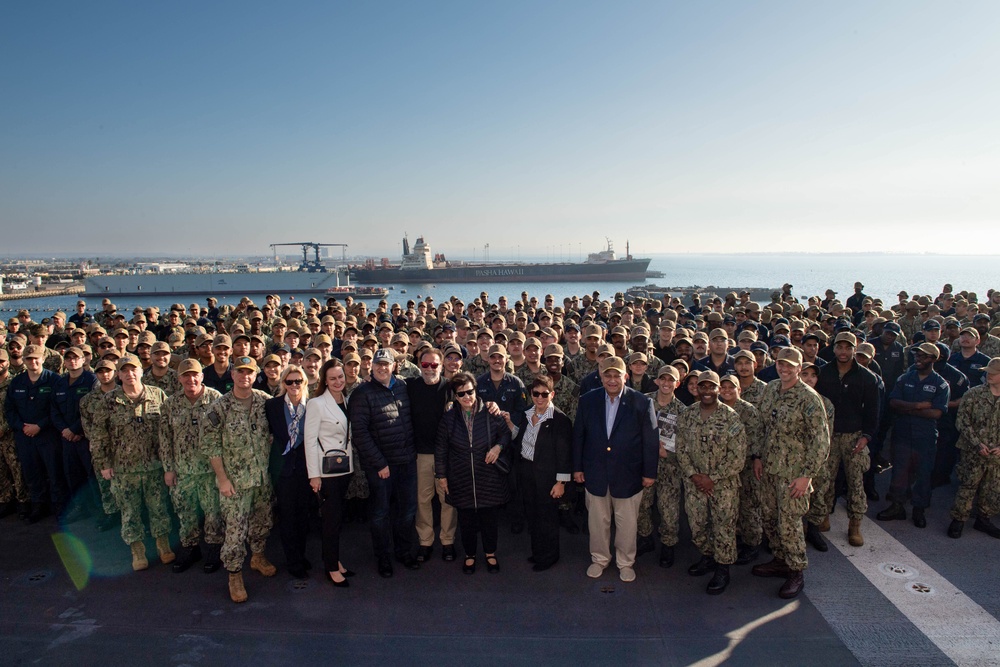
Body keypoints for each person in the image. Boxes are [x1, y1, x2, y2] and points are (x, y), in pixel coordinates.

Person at [752, 348, 830, 599]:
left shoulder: (809, 398)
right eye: (780, 364)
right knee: (769, 517)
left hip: (793, 473)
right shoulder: (771, 389)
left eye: (790, 365)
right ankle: (780, 559)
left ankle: (796, 570)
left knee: (790, 523)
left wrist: (807, 475)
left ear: (799, 368)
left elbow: (821, 441)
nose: (784, 369)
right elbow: (761, 426)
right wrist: (757, 456)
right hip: (769, 468)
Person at [573, 356, 658, 583]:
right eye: (607, 375)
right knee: (598, 522)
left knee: (627, 524)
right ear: (600, 377)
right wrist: (577, 468)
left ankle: (625, 562)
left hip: (628, 476)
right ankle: (599, 559)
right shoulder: (588, 400)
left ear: (625, 376)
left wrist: (649, 472)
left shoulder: (642, 402)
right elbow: (579, 435)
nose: (612, 380)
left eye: (616, 375)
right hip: (595, 473)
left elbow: (650, 441)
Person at [89, 354, 174, 570]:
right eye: (124, 370)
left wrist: (169, 465)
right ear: (118, 374)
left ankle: (163, 544)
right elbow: (99, 435)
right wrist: (104, 464)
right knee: (130, 511)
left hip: (155, 466)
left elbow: (168, 431)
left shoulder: (158, 395)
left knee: (159, 508)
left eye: (133, 369)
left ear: (141, 371)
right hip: (123, 469)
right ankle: (137, 550)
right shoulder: (108, 402)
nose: (129, 374)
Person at [204, 356, 276, 603]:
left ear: (256, 376)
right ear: (232, 375)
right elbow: (211, 446)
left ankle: (257, 556)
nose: (245, 376)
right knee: (235, 531)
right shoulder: (219, 407)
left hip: (261, 479)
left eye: (250, 372)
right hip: (235, 482)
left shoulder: (264, 402)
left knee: (262, 521)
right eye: (240, 372)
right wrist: (222, 479)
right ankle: (234, 574)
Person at [350, 347, 420, 578]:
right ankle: (383, 557)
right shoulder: (362, 393)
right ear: (371, 367)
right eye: (378, 364)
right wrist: (379, 463)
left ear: (394, 366)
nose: (382, 368)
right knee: (381, 513)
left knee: (408, 510)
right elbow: (359, 433)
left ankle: (403, 551)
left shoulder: (403, 387)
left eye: (386, 364)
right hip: (380, 466)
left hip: (407, 461)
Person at [676, 371, 747, 595]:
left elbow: (738, 457)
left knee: (723, 528)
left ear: (718, 389)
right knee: (697, 526)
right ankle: (707, 556)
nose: (707, 391)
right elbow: (680, 448)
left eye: (711, 387)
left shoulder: (731, 417)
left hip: (723, 486)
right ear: (696, 389)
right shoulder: (687, 415)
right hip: (694, 483)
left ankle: (723, 568)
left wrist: (712, 478)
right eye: (702, 387)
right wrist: (694, 475)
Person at [435, 373, 511, 574]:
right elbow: (441, 448)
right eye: (462, 394)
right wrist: (442, 476)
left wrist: (498, 448)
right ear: (455, 396)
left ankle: (490, 553)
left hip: (488, 475)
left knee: (489, 519)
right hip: (460, 477)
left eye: (470, 391)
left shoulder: (490, 411)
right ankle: (470, 555)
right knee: (466, 520)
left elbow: (505, 434)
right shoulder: (449, 418)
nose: (467, 397)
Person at [814, 332, 880, 547]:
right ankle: (822, 518)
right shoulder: (823, 373)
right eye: (839, 347)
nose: (843, 351)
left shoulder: (867, 378)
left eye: (848, 347)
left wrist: (866, 437)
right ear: (833, 348)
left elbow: (874, 412)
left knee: (855, 483)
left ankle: (855, 525)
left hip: (854, 437)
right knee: (825, 480)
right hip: (829, 436)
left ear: (854, 349)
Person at [158, 359, 224, 573]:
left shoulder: (216, 400)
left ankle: (215, 547)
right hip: (183, 470)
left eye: (194, 375)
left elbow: (225, 436)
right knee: (185, 511)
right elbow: (165, 438)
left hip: (209, 470)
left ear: (202, 376)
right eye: (185, 375)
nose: (191, 379)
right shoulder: (170, 404)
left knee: (213, 510)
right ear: (179, 379)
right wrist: (168, 468)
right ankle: (190, 547)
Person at [877, 343, 950, 528]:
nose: (918, 359)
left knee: (923, 473)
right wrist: (917, 406)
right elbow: (893, 402)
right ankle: (897, 505)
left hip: (924, 436)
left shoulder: (940, 384)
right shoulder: (904, 378)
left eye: (924, 357)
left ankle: (919, 509)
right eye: (917, 356)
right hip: (902, 433)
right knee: (900, 470)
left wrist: (906, 408)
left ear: (934, 359)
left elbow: (937, 413)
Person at [304, 359, 356, 586]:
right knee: (330, 521)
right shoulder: (316, 403)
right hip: (326, 472)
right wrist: (314, 475)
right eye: (333, 378)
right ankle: (331, 567)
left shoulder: (346, 399)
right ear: (325, 380)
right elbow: (309, 441)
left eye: (341, 377)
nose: (338, 382)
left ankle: (335, 560)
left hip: (345, 468)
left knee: (338, 518)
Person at [512, 375, 573, 571]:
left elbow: (565, 453)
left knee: (547, 517)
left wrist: (561, 482)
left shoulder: (560, 420)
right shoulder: (526, 414)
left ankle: (550, 556)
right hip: (527, 472)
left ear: (552, 394)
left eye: (544, 394)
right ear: (531, 394)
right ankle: (537, 552)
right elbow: (520, 439)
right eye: (536, 393)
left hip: (548, 476)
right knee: (533, 515)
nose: (540, 398)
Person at [4, 345, 66, 523]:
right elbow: (10, 409)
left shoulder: (54, 380)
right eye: (29, 358)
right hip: (24, 436)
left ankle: (60, 508)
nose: (33, 362)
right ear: (23, 360)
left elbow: (56, 409)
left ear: (43, 359)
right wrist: (21, 426)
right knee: (32, 473)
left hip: (47, 435)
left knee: (54, 472)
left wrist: (40, 425)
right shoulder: (17, 382)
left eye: (36, 358)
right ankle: (39, 506)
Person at [406, 347, 457, 563]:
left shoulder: (451, 388)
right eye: (425, 365)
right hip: (421, 454)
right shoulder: (409, 387)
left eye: (434, 364)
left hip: (446, 454)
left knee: (448, 500)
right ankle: (425, 541)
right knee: (423, 500)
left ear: (442, 364)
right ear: (419, 365)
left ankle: (448, 541)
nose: (429, 369)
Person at [264, 364, 313, 579]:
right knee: (288, 517)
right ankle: (292, 561)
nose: (294, 385)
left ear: (304, 383)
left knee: (303, 515)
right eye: (289, 381)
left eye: (298, 381)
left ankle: (300, 555)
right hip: (283, 470)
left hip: (305, 469)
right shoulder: (272, 406)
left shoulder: (311, 407)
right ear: (283, 383)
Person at [636, 365, 686, 568]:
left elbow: (686, 443)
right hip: (644, 465)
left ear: (677, 383)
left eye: (671, 380)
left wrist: (670, 454)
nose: (666, 383)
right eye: (662, 379)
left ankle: (668, 545)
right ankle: (645, 538)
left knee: (669, 510)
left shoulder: (683, 411)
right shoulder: (643, 401)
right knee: (641, 505)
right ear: (656, 381)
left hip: (669, 468)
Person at [948, 357, 1000, 539]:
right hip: (973, 450)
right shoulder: (974, 394)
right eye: (988, 372)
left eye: (993, 373)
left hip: (996, 455)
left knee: (992, 488)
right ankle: (958, 519)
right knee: (968, 485)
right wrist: (977, 443)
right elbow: (962, 420)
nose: (989, 375)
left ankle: (983, 519)